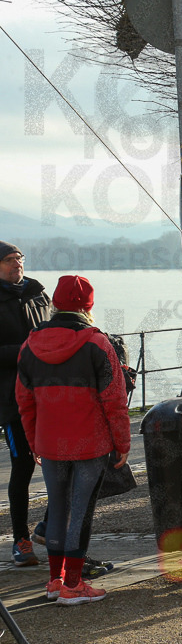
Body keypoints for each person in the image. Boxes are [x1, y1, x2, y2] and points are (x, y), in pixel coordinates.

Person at [16, 275, 129, 605]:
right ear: (88, 305)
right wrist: (122, 443)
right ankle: (75, 584)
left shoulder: (30, 345)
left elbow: (25, 400)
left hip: (50, 442)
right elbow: (114, 399)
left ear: (54, 303)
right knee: (79, 511)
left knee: (58, 507)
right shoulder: (97, 343)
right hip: (89, 443)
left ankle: (54, 582)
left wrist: (34, 442)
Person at [0, 241, 50, 567]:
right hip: (10, 399)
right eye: (8, 260)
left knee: (65, 462)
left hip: (48, 395)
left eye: (19, 258)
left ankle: (48, 526)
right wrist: (25, 350)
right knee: (23, 467)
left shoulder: (39, 293)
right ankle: (21, 539)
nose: (17, 263)